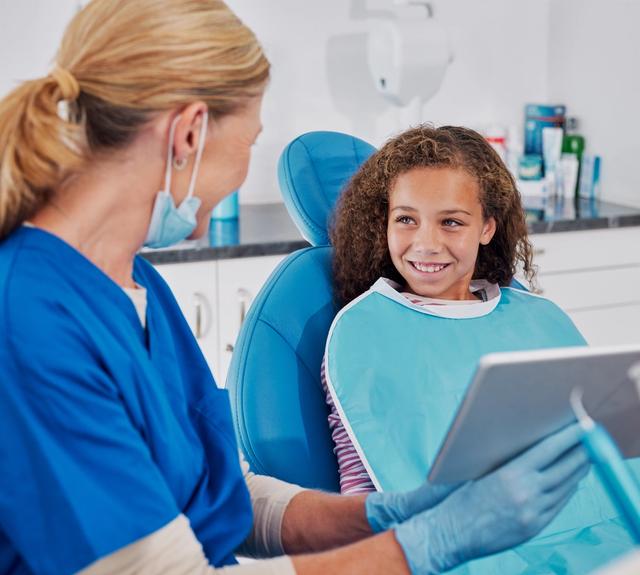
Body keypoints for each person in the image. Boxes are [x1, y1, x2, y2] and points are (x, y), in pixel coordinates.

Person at [0, 2, 591, 574]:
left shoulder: (137, 286)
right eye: (249, 143)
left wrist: (374, 514)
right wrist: (427, 546)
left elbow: (223, 494)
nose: (242, 169)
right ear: (189, 134)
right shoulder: (27, 319)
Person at [322, 125, 638, 572]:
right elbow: (365, 486)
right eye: (406, 219)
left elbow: (605, 440)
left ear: (487, 227)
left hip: (613, 536)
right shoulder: (362, 332)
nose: (426, 243)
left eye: (451, 221)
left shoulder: (535, 316)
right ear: (385, 222)